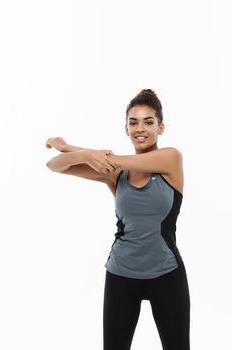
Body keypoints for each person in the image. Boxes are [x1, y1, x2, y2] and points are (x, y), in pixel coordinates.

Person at [44, 89, 190, 350]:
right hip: (121, 274)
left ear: (161, 127)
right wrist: (79, 153)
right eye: (133, 122)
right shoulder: (115, 173)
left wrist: (80, 150)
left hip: (167, 275)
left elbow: (116, 161)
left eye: (148, 122)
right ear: (126, 129)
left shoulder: (171, 159)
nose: (140, 128)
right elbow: (54, 165)